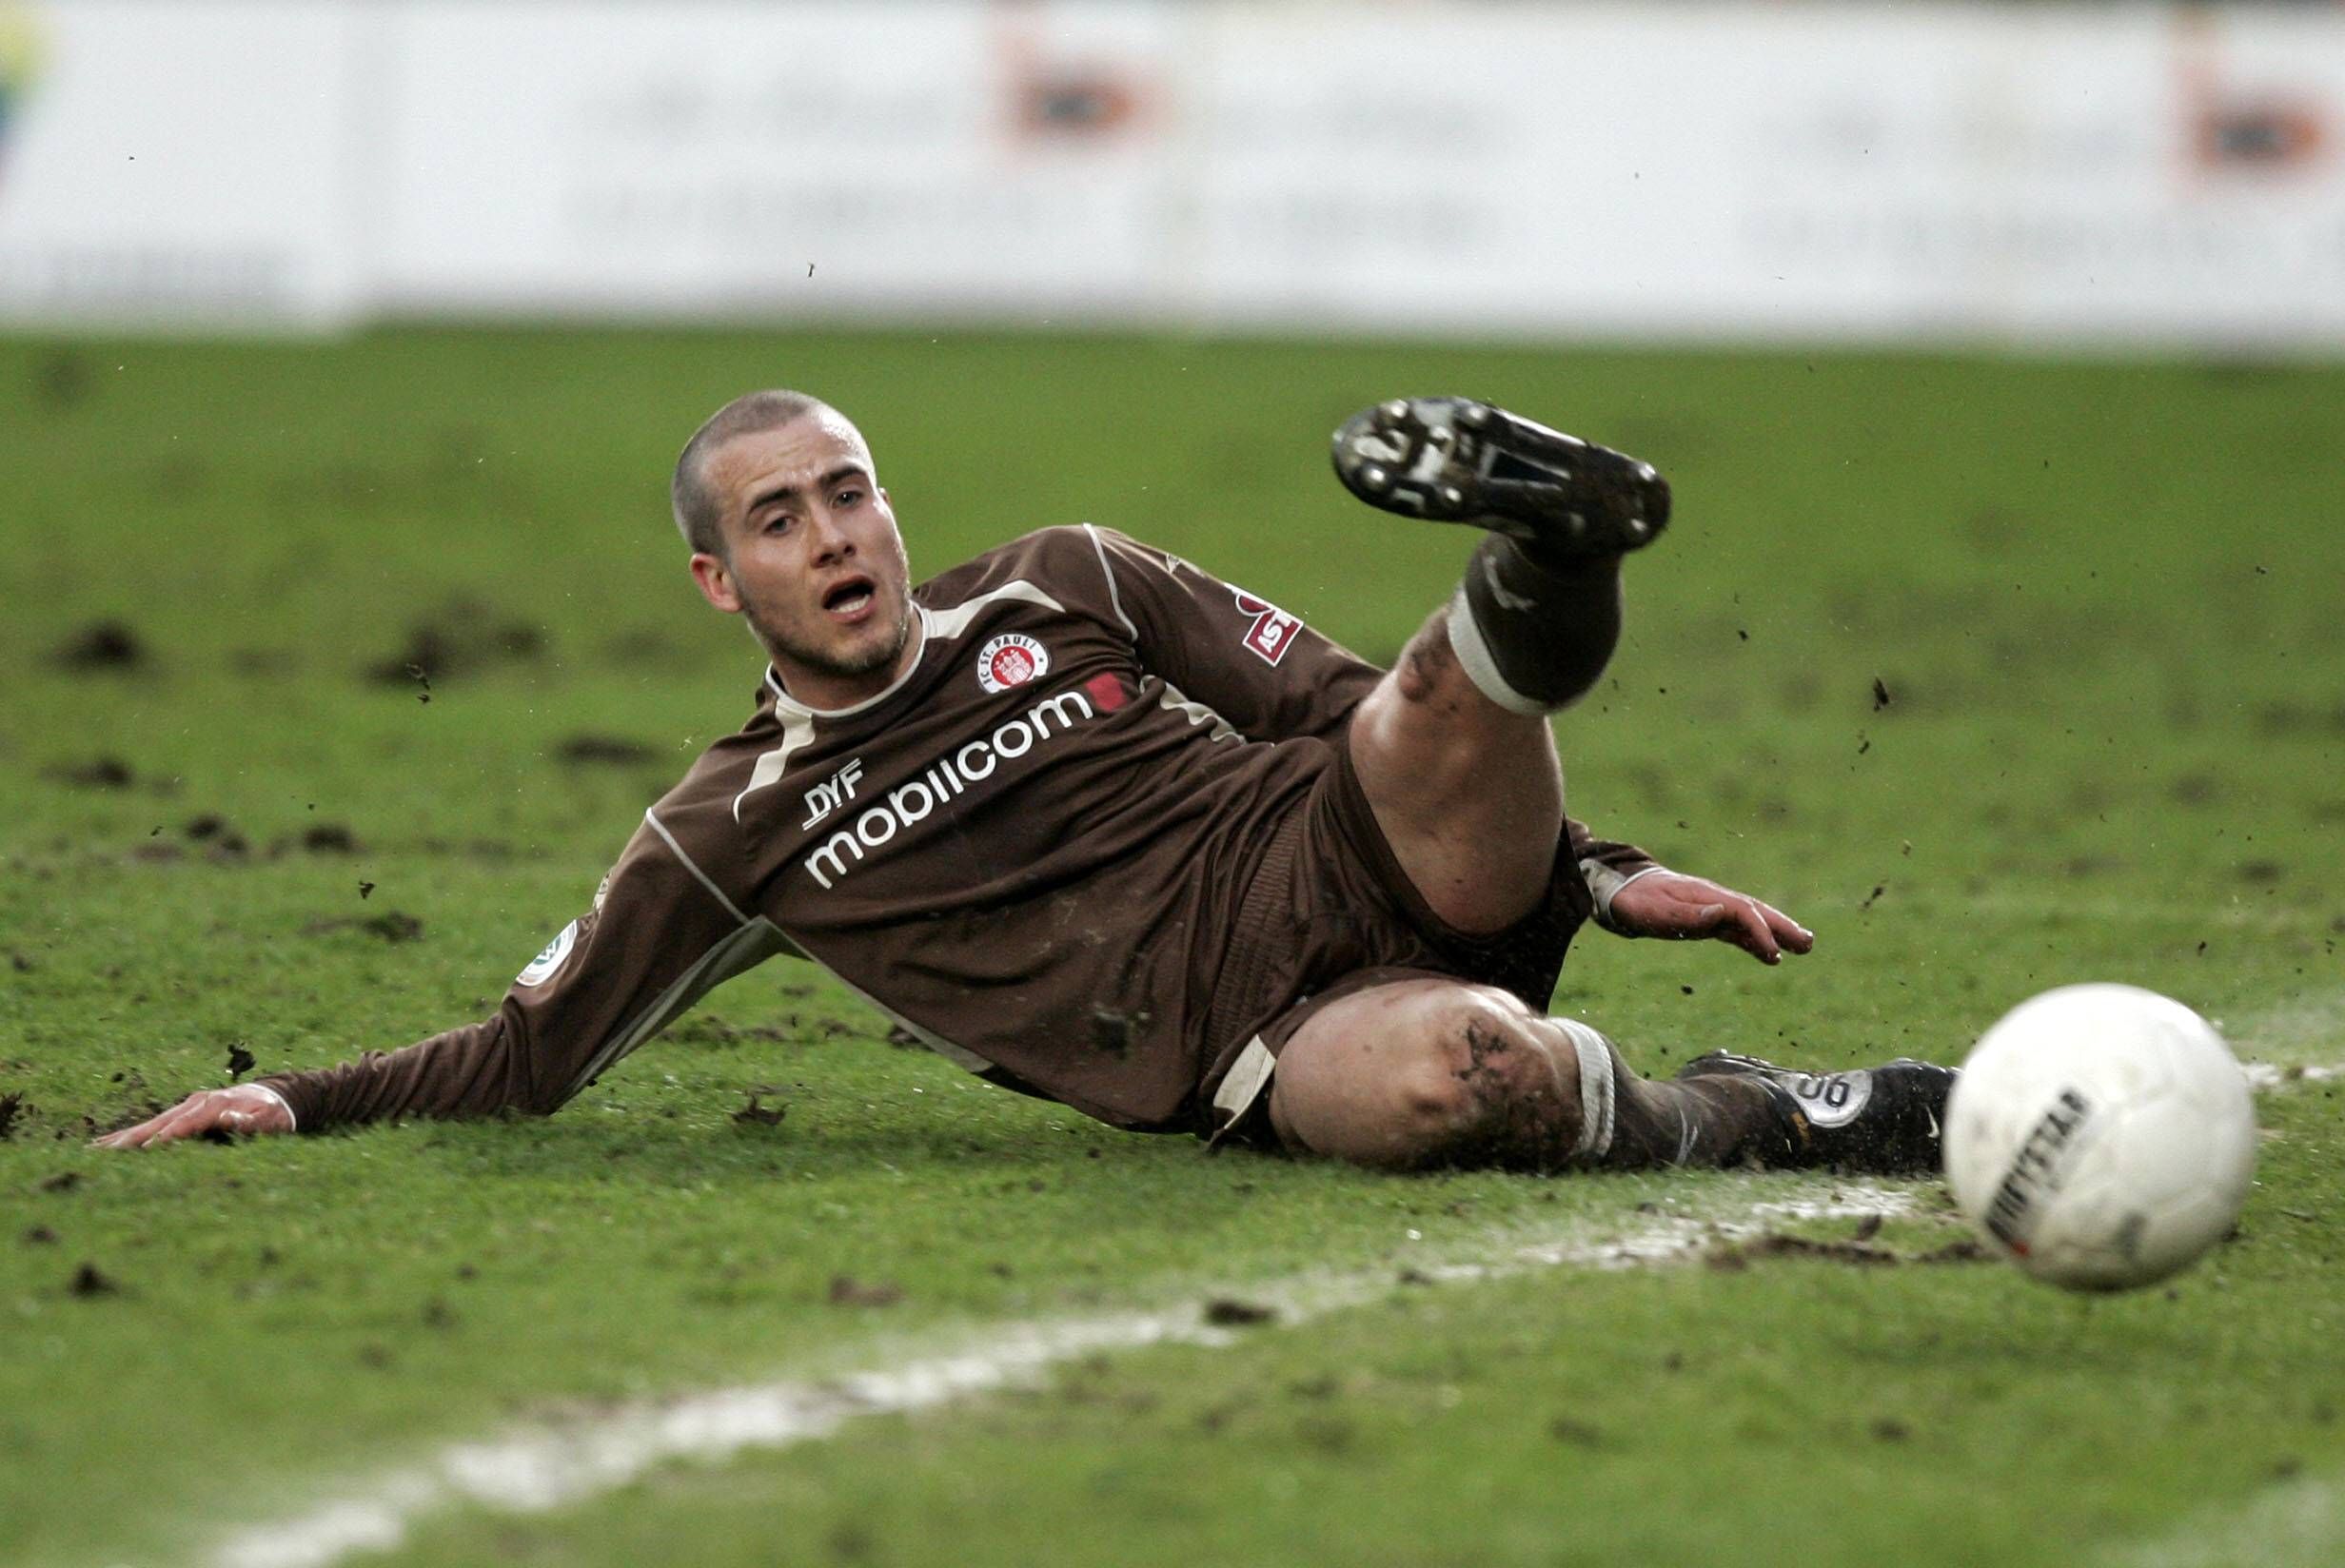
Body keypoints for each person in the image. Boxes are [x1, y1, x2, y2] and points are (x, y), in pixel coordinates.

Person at [99, 391, 1951, 1173]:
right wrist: (287, 1099)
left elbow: (1318, 697)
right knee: (1465, 1077)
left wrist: (1601, 870)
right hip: (1248, 1037)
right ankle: (1752, 1113)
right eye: (779, 518)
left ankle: (1555, 545)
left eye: (848, 492)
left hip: (1346, 837)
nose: (834, 534)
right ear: (719, 582)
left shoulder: (1063, 579)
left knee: (1408, 699)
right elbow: (531, 1053)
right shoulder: (734, 828)